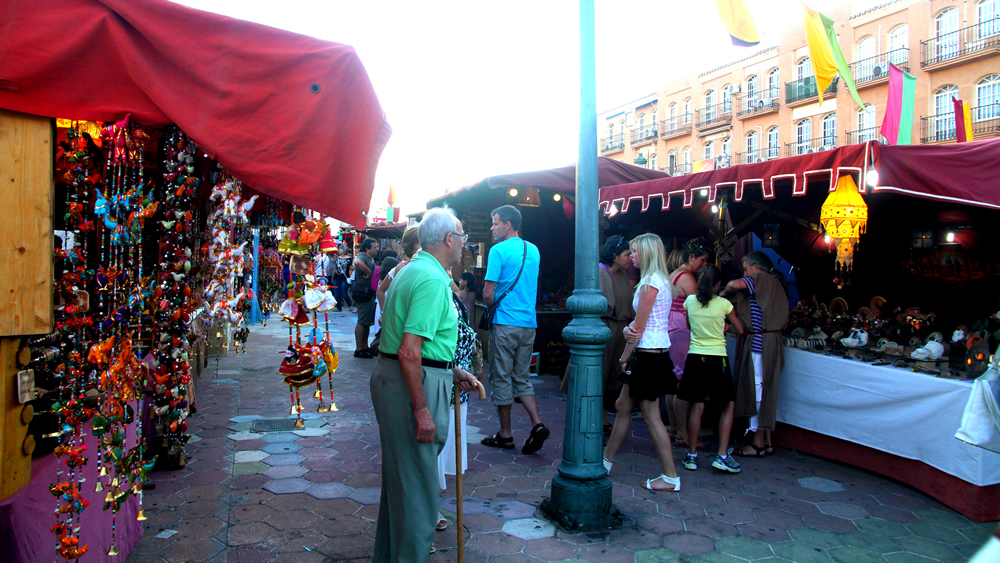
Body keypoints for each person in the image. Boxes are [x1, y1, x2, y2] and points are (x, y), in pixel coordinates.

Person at [370, 206, 479, 562]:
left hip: (404, 377)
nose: (464, 245)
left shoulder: (413, 269)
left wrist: (451, 371)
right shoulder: (432, 279)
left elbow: (418, 346)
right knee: (418, 492)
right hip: (410, 382)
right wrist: (421, 409)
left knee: (403, 487)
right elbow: (410, 351)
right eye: (462, 237)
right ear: (449, 239)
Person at [602, 233, 681, 492]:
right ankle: (605, 462)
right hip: (653, 352)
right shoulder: (659, 281)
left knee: (651, 416)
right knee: (623, 406)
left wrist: (624, 355)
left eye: (634, 251)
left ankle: (670, 476)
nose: (631, 255)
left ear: (645, 253)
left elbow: (638, 327)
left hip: (647, 354)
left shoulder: (650, 283)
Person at [480, 205, 547, 454]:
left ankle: (506, 434)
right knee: (522, 377)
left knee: (501, 377)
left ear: (508, 224)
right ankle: (537, 424)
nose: (492, 227)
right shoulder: (534, 250)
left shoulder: (498, 251)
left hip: (505, 322)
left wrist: (492, 304)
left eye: (495, 223)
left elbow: (488, 293)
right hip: (529, 323)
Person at [721, 251, 790, 458]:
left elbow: (734, 285)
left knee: (757, 390)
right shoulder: (775, 283)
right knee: (766, 388)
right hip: (771, 341)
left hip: (761, 344)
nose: (745, 273)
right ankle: (766, 440)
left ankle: (757, 442)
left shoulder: (761, 278)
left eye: (746, 268)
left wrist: (722, 295)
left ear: (755, 267)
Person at [679, 264, 744, 473]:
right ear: (718, 284)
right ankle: (722, 455)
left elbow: (689, 326)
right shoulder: (724, 304)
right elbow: (740, 329)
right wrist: (725, 327)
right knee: (727, 405)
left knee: (697, 406)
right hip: (717, 358)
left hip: (696, 357)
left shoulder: (690, 302)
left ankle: (691, 455)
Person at [665, 238, 711, 449]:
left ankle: (674, 427)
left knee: (674, 384)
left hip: (672, 328)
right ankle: (683, 433)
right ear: (691, 257)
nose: (703, 264)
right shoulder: (688, 278)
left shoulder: (673, 274)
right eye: (702, 260)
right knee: (683, 385)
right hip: (682, 331)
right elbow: (698, 309)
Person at [352, 238, 378, 358]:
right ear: (367, 249)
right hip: (363, 294)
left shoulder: (370, 259)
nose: (377, 249)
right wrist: (368, 271)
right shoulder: (363, 257)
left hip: (368, 294)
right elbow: (357, 263)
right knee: (362, 321)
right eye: (374, 247)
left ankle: (364, 346)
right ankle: (359, 348)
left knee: (366, 322)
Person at [330, 245, 353, 312]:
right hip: (336, 277)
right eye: (339, 249)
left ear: (344, 250)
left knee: (344, 292)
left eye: (341, 249)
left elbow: (350, 268)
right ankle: (338, 307)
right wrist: (332, 276)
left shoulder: (349, 259)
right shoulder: (338, 258)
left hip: (344, 278)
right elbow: (335, 268)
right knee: (337, 293)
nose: (339, 250)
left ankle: (350, 305)